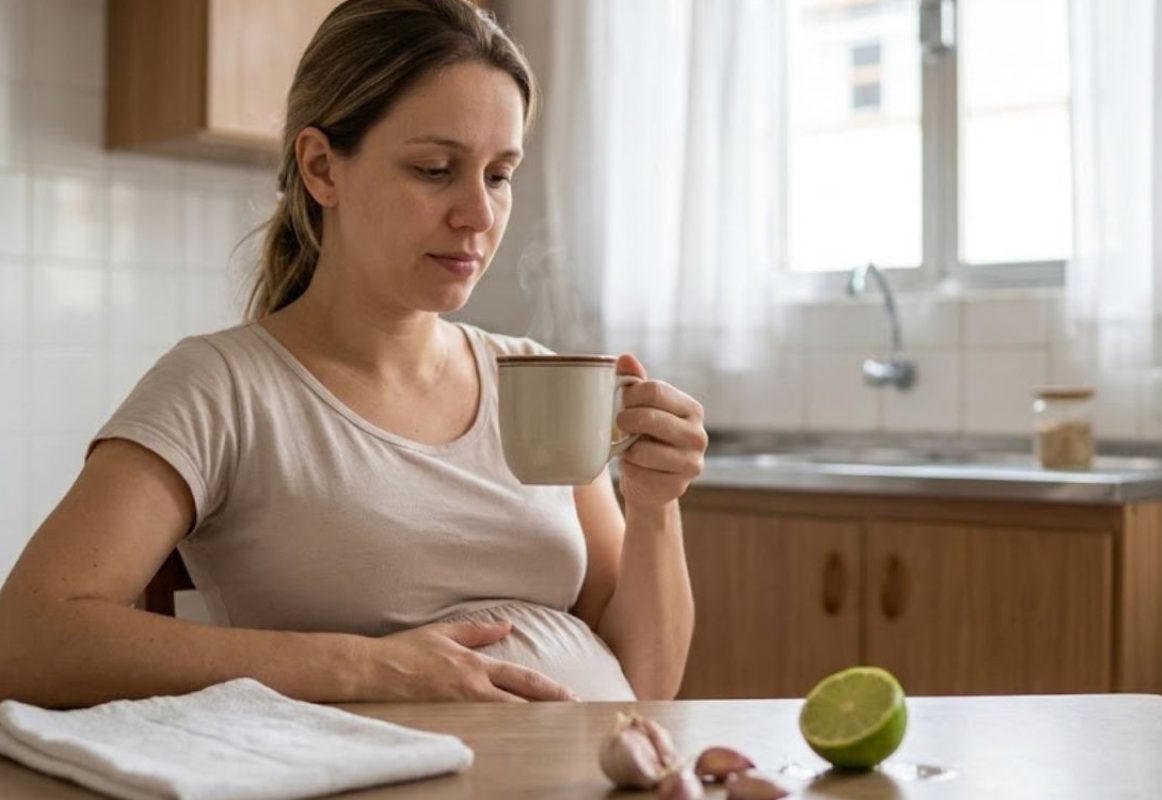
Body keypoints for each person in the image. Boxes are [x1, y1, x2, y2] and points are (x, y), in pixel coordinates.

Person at [0, 0, 705, 707]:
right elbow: (27, 638)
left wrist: (654, 506)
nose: (479, 214)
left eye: (498, 175)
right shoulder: (223, 389)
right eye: (435, 169)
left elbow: (645, 684)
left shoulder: (534, 376)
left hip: (610, 762)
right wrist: (365, 667)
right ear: (321, 169)